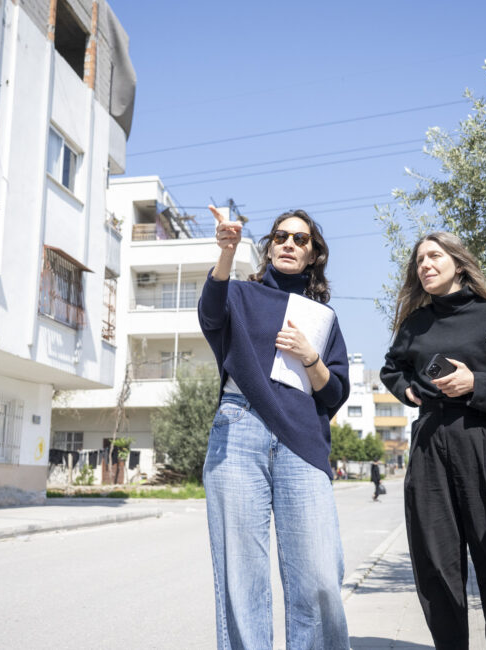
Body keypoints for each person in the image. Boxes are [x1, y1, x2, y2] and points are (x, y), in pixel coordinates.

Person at [199, 206, 352, 650]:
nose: (289, 243)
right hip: (239, 425)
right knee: (241, 575)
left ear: (313, 255)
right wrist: (226, 253)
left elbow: (335, 392)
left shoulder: (324, 319)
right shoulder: (240, 294)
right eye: (281, 236)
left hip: (301, 439)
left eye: (300, 239)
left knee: (321, 575)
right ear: (269, 247)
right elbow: (210, 316)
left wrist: (310, 356)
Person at [381, 232, 486, 650]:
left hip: (484, 441)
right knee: (436, 567)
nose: (425, 265)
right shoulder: (415, 323)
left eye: (434, 256)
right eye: (419, 261)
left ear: (458, 263)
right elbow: (392, 369)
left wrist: (475, 383)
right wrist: (408, 391)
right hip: (430, 444)